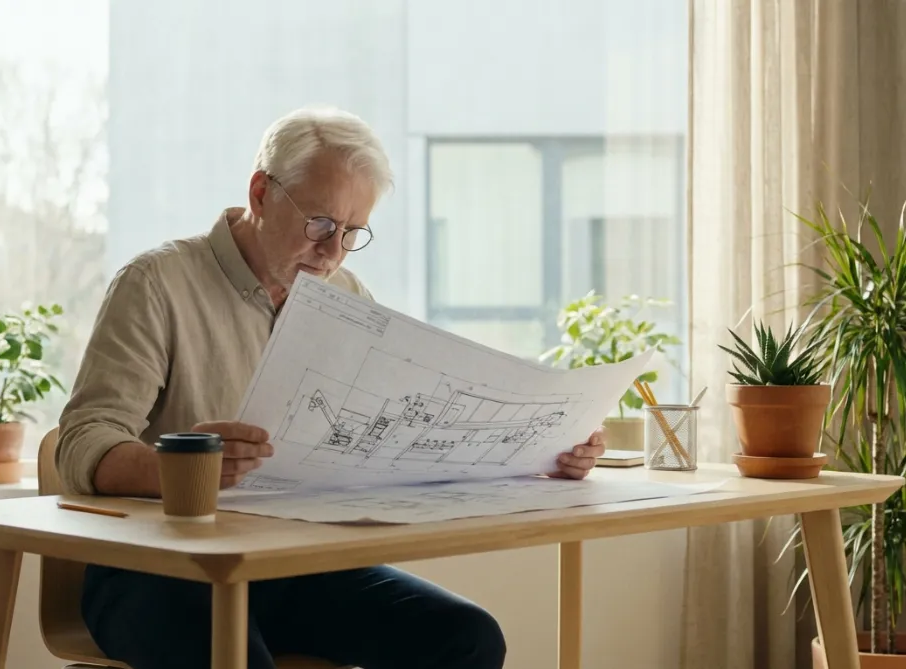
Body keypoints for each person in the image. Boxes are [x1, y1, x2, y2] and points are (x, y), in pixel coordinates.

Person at [56, 106, 606, 669]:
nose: (332, 250)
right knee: (233, 657)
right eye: (319, 224)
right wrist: (183, 471)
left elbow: (397, 437)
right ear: (261, 193)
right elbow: (81, 441)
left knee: (465, 636)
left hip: (297, 565)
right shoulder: (156, 283)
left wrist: (543, 452)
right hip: (161, 570)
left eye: (351, 232)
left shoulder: (345, 296)